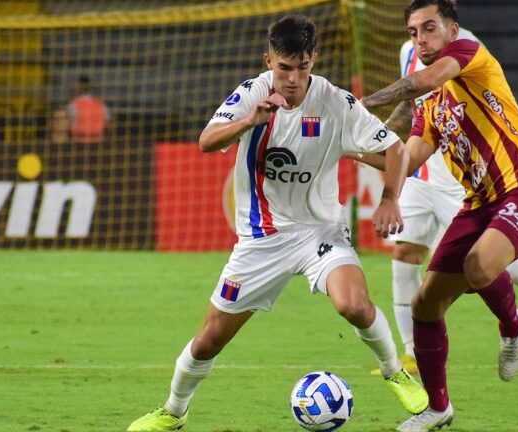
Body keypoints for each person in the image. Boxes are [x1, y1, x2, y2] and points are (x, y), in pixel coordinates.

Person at [126, 15, 427, 432]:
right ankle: (174, 412)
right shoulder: (251, 93)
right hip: (261, 239)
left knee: (353, 304)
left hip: (320, 232)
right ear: (269, 60)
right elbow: (206, 141)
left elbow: (394, 151)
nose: (291, 78)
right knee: (212, 336)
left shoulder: (336, 102)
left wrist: (390, 199)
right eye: (283, 68)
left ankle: (395, 370)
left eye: (301, 67)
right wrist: (250, 121)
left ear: (313, 61)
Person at [360, 1, 518, 430]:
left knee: (478, 264)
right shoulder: (431, 104)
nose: (420, 39)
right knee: (424, 306)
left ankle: (512, 325)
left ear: (451, 29)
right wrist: (345, 147)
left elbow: (422, 79)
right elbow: (406, 158)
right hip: (478, 203)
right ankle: (437, 408)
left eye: (429, 28)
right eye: (413, 32)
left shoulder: (469, 53)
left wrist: (358, 106)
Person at [66, 74, 111, 144]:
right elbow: (108, 124)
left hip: (79, 143)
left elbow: (70, 127)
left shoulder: (73, 105)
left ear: (78, 86)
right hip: (98, 143)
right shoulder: (101, 104)